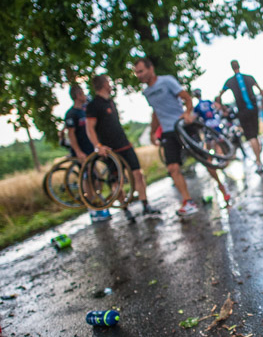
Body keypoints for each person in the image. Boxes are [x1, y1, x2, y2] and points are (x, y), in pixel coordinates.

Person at [133, 58, 230, 215]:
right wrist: (152, 132)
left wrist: (187, 113)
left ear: (151, 69)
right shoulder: (147, 92)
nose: (138, 75)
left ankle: (222, 187)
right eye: (136, 72)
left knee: (205, 160)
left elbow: (187, 98)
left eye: (141, 71)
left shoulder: (167, 82)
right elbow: (156, 112)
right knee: (172, 167)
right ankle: (188, 201)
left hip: (183, 127)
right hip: (168, 132)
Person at [84, 74, 159, 221]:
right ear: (104, 84)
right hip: (110, 151)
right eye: (109, 82)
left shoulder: (110, 102)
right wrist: (98, 146)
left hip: (124, 144)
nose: (111, 85)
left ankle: (145, 205)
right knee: (116, 182)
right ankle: (125, 209)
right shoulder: (94, 105)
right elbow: (90, 128)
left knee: (138, 174)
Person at [64, 84, 110, 223]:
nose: (85, 95)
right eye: (83, 93)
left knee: (96, 177)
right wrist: (78, 152)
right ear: (78, 95)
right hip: (82, 153)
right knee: (87, 178)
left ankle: (98, 202)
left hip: (91, 150)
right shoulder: (71, 114)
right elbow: (71, 135)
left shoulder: (85, 111)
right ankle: (93, 209)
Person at [219, 60, 263, 173]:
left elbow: (219, 95)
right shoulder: (249, 78)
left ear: (231, 68)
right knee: (255, 135)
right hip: (253, 109)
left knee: (251, 137)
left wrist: (223, 108)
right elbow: (261, 91)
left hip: (243, 112)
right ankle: (259, 158)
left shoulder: (230, 81)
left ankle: (258, 162)